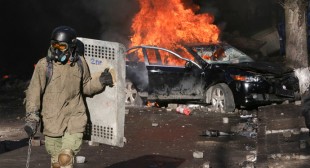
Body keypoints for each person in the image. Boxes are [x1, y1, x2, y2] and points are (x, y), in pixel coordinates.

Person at [24, 26, 114, 168]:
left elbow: (85, 86)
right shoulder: (44, 65)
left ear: (71, 46)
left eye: (62, 46)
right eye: (54, 45)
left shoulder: (79, 63)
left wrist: (100, 81)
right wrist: (32, 118)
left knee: (65, 158)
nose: (57, 49)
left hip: (75, 118)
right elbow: (33, 93)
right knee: (57, 163)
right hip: (53, 121)